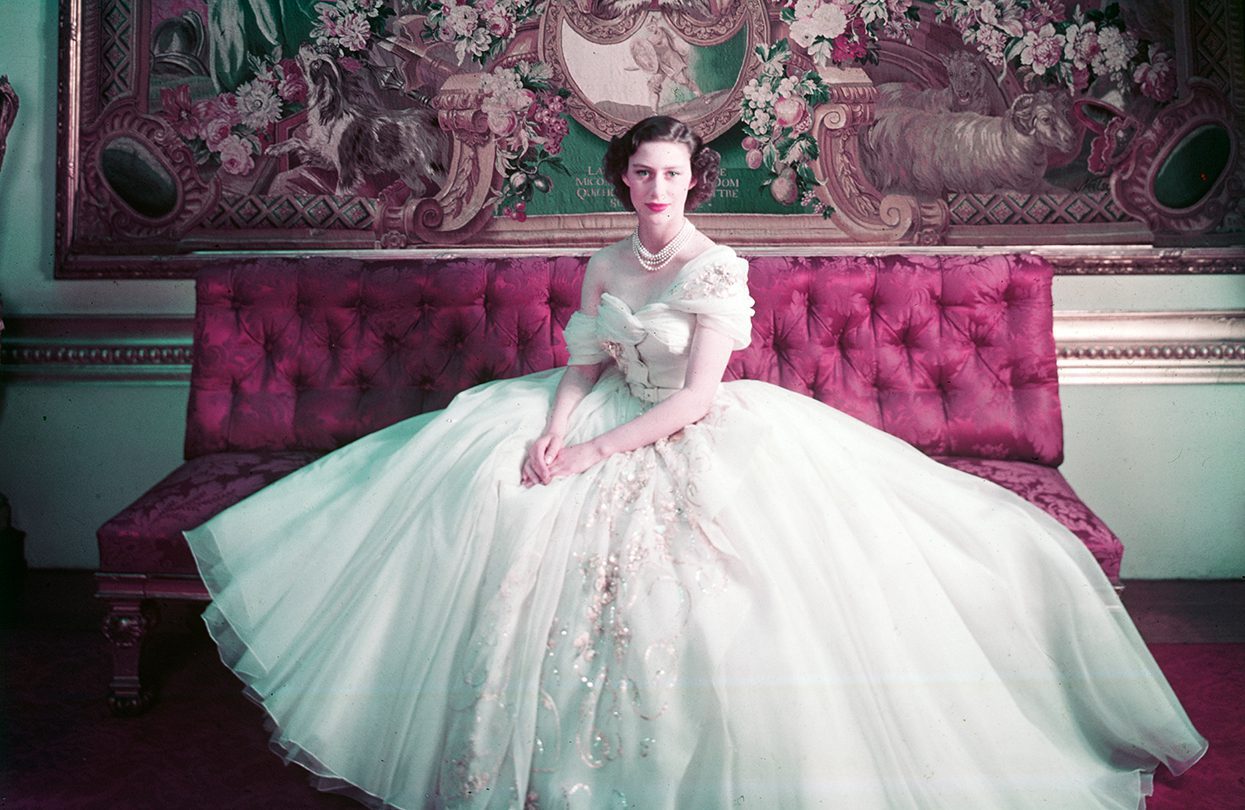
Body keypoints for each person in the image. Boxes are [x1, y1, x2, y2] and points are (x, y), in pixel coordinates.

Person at [186, 115, 1206, 809]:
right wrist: (555, 425)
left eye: (673, 174)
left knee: (709, 598)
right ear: (624, 179)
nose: (657, 187)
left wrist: (589, 454)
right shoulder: (604, 260)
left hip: (688, 427)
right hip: (599, 408)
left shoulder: (718, 267)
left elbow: (697, 395)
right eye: (642, 172)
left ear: (691, 182)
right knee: (481, 490)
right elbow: (585, 357)